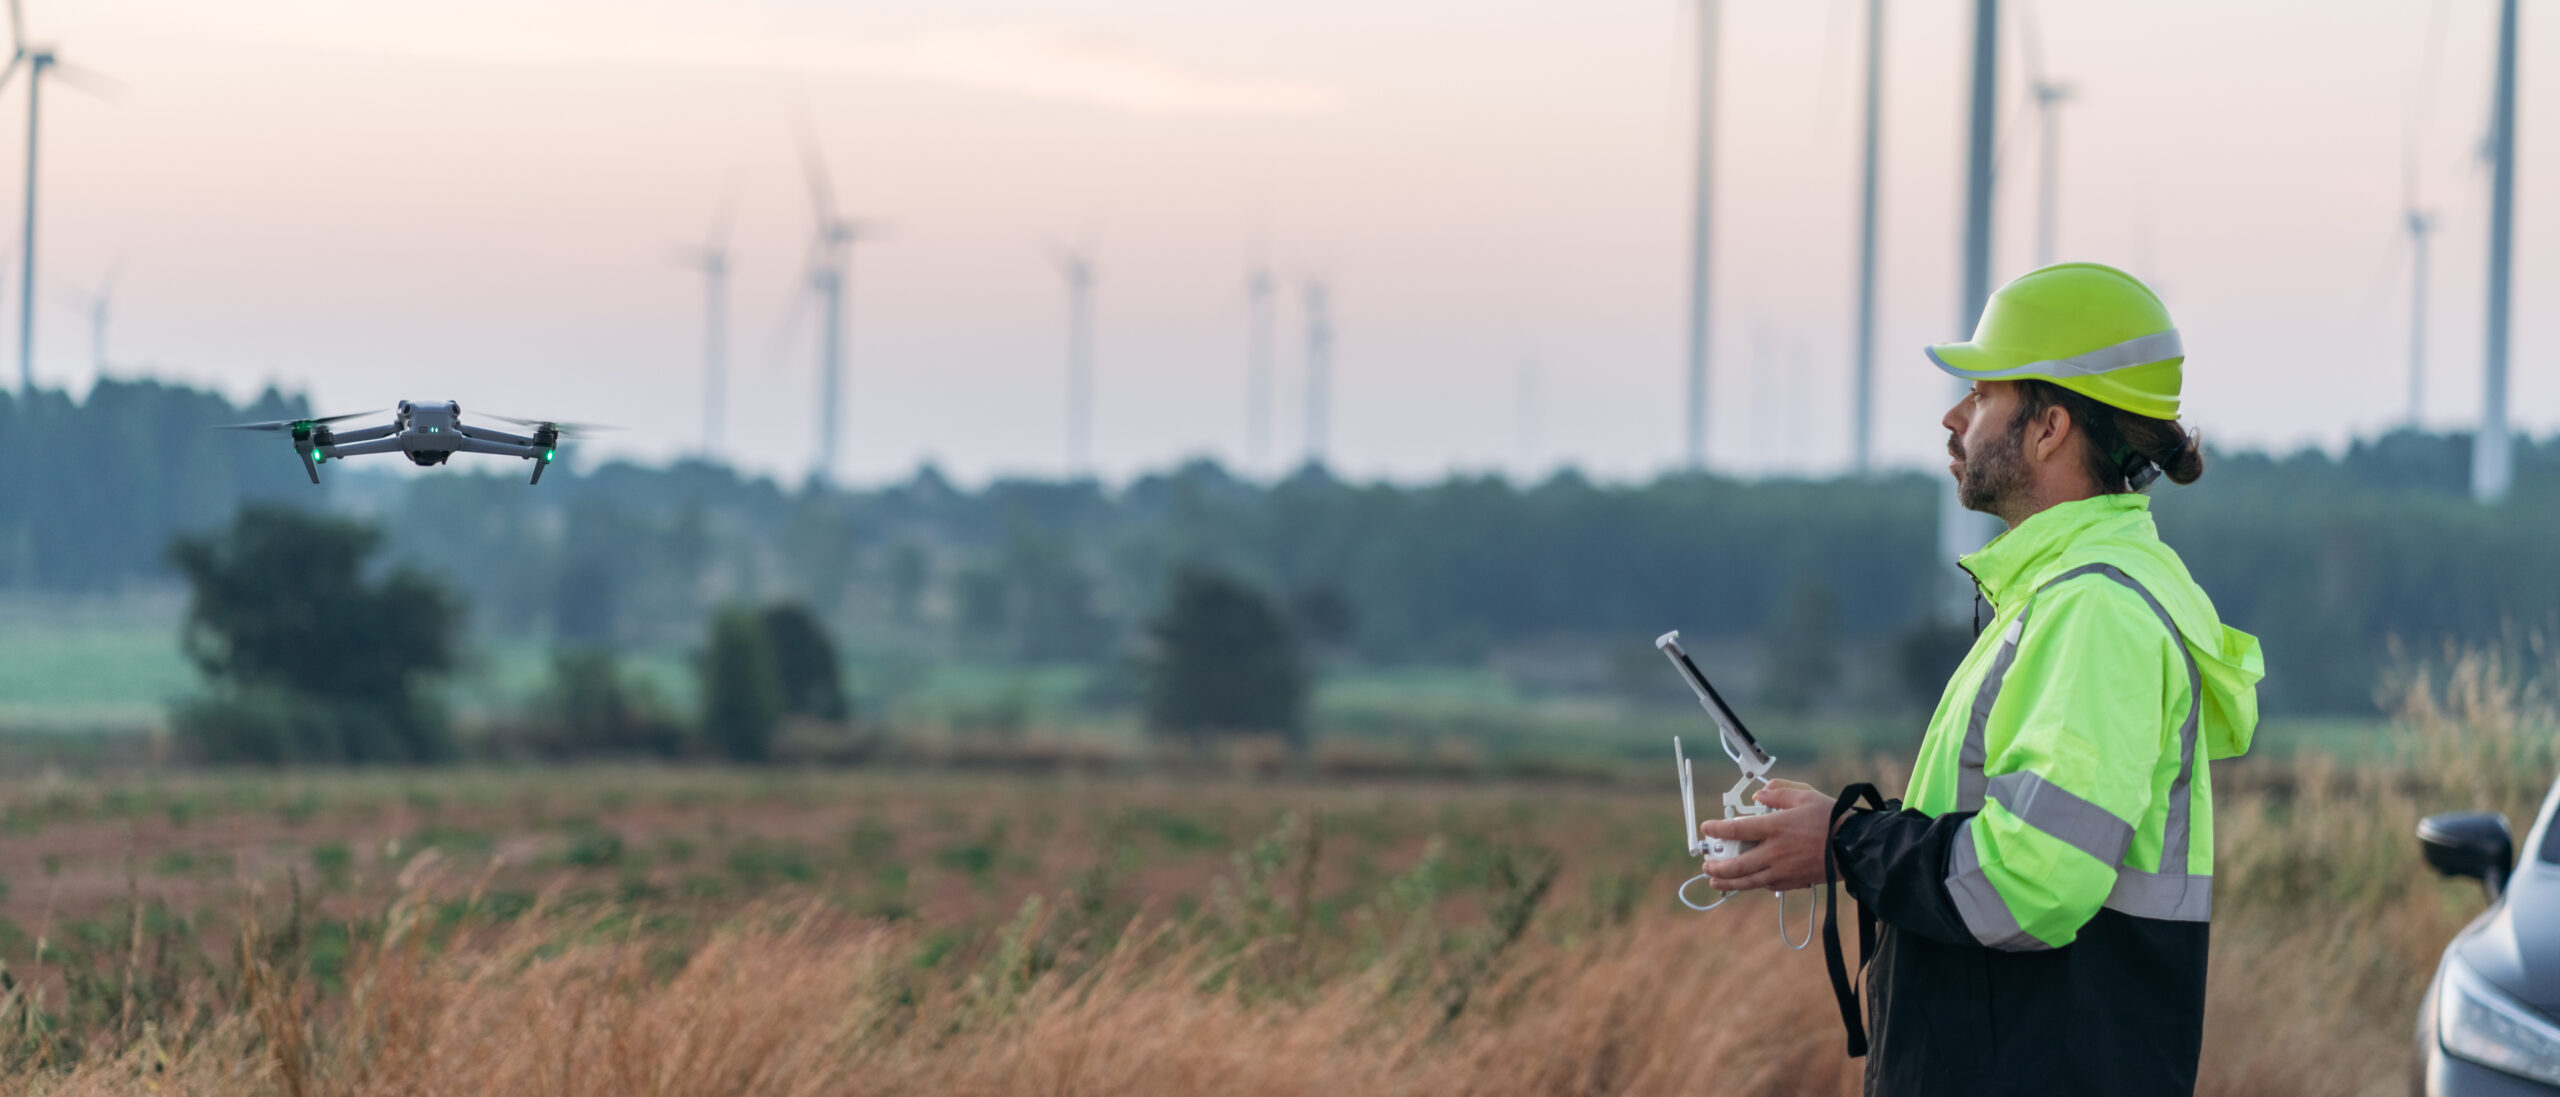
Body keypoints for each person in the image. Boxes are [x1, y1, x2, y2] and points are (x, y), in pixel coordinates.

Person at [1696, 262, 2265, 1097]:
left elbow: (2030, 882)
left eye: (1983, 394)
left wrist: (1846, 842)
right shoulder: (2066, 595)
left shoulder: (2094, 612)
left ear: (2048, 428)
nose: (1953, 417)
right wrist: (1853, 839)